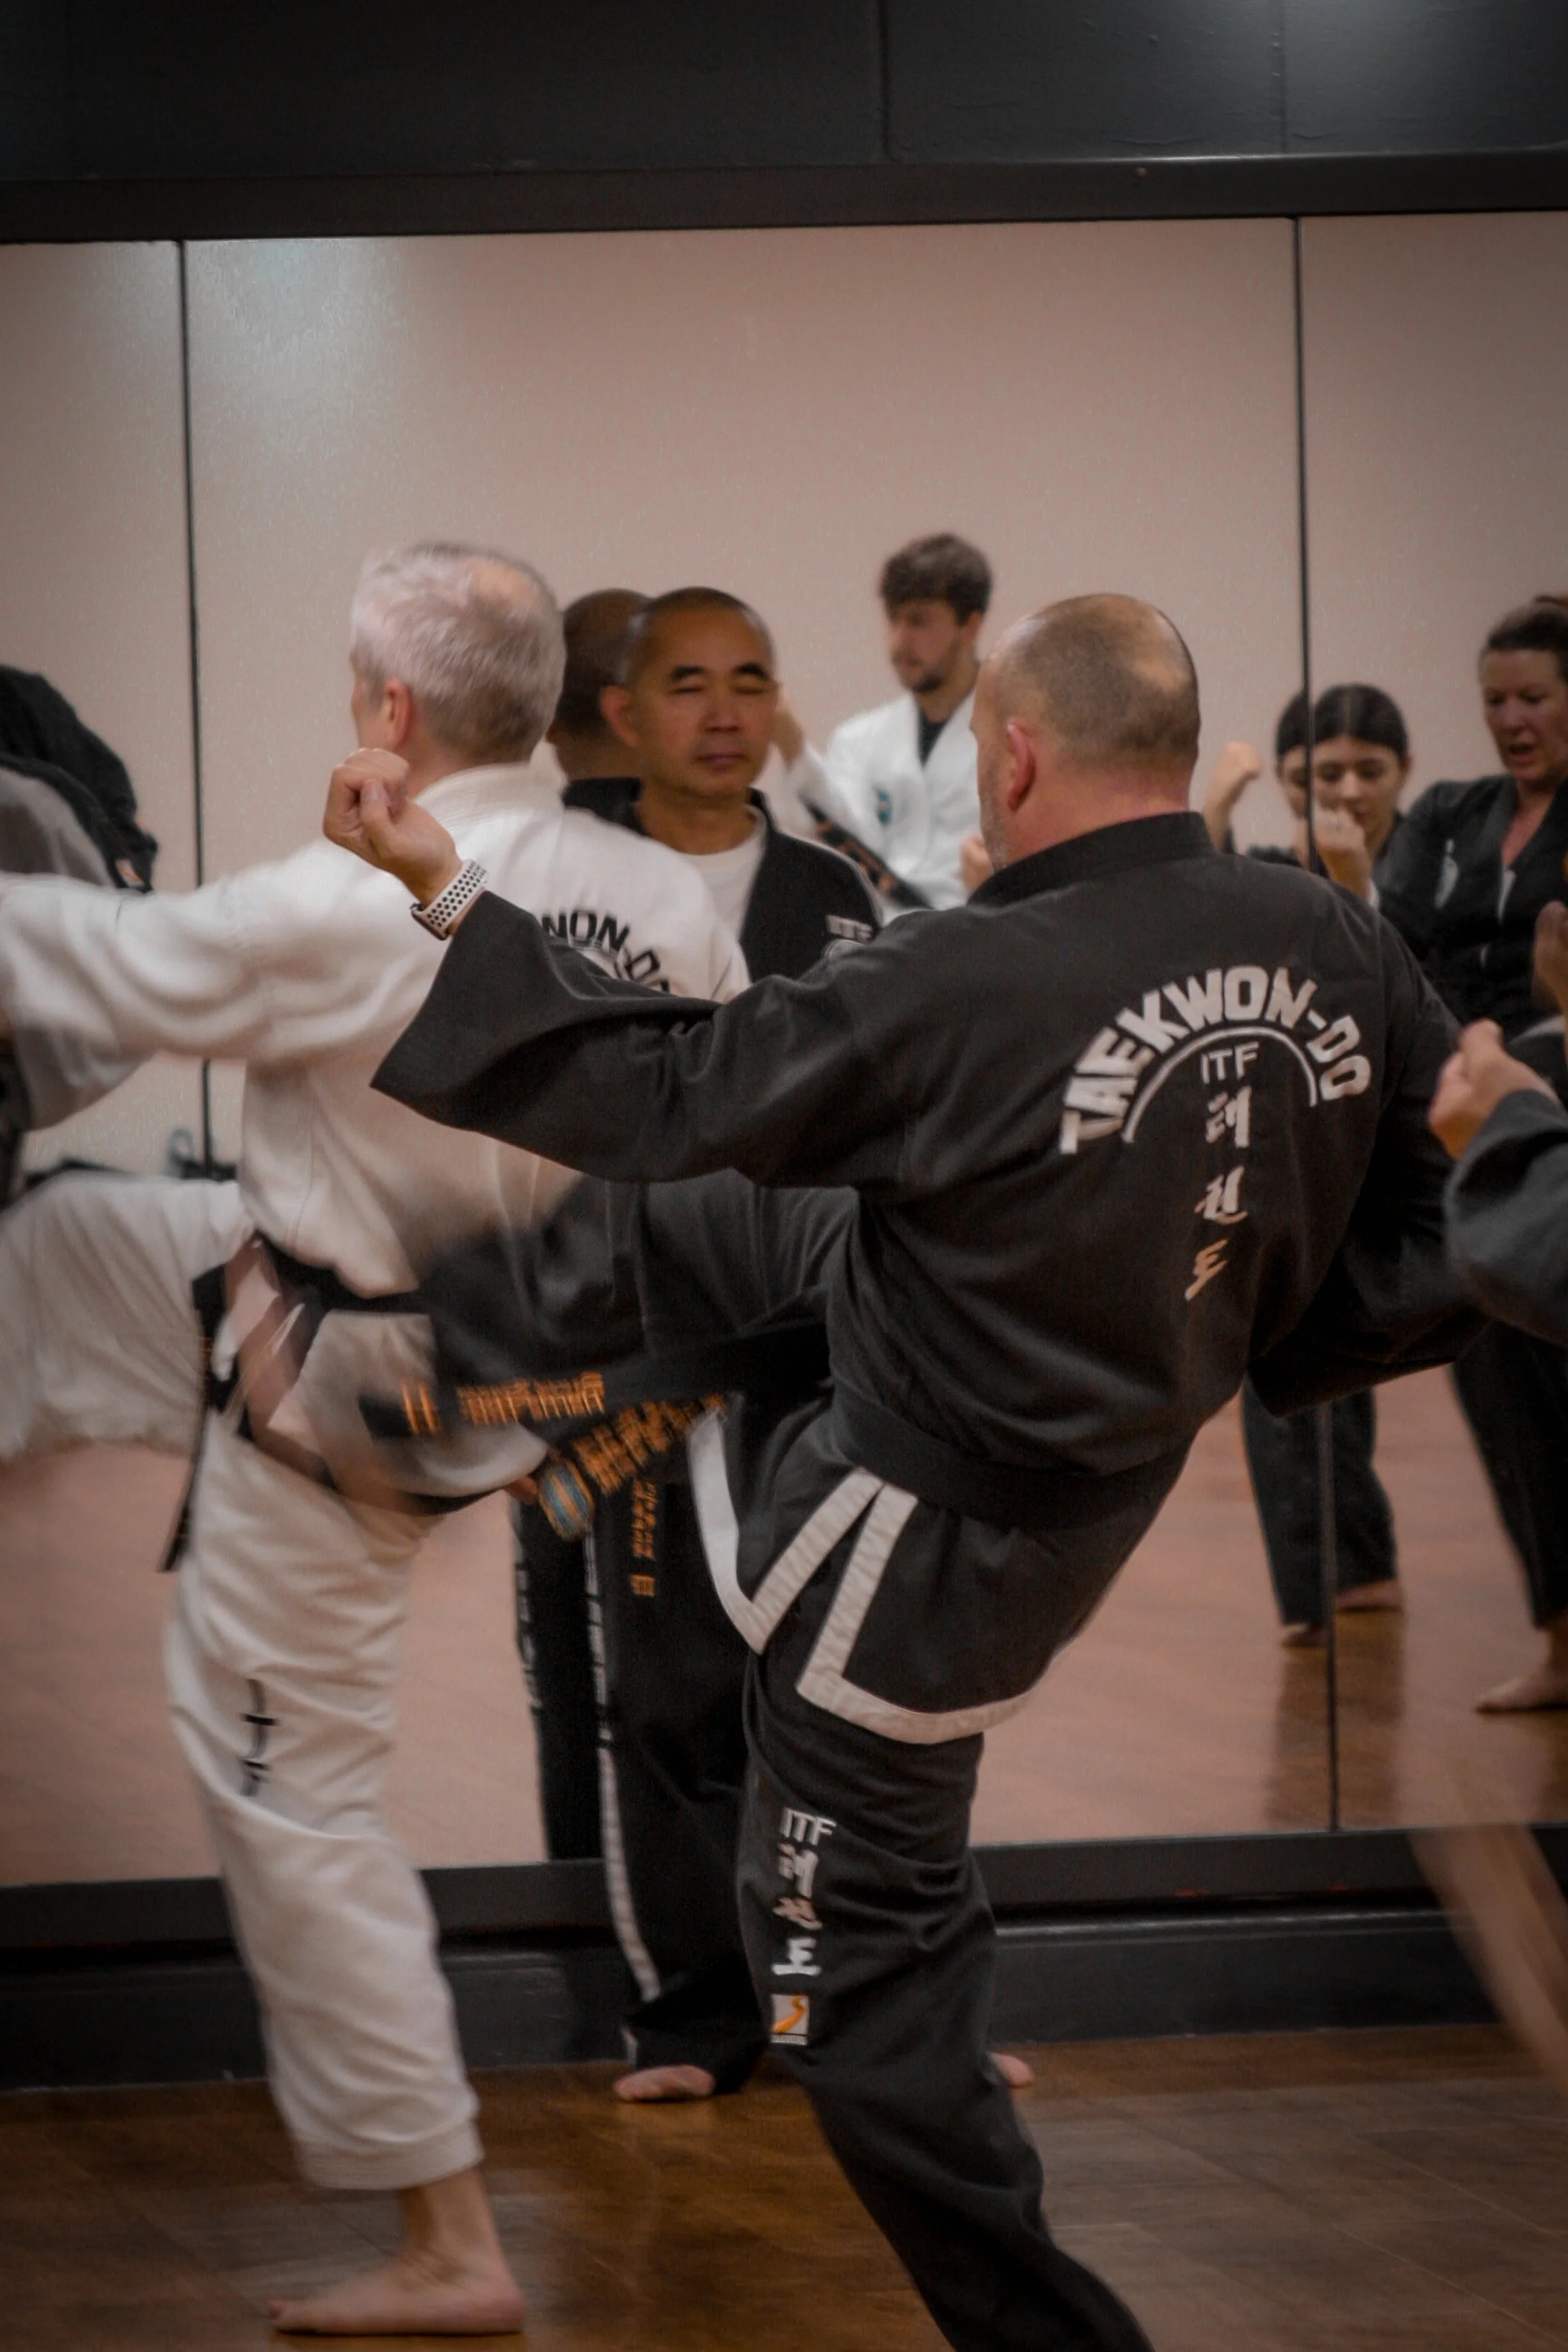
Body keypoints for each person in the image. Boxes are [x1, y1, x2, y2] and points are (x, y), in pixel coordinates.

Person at [332, 591, 1477, 2352]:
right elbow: (1423, 1229)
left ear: (1011, 754)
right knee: (742, 1219)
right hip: (1043, 1423)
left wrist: (441, 882)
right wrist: (1240, 1333)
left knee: (840, 1986)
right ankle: (477, 1385)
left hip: (912, 1541)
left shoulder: (962, 974)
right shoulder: (1333, 940)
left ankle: (1051, 2337)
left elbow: (666, 1084)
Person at [0, 541, 745, 2337]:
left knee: (285, 1784)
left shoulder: (343, 910)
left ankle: (447, 2236)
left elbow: (95, 961)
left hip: (349, 1409)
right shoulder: (663, 895)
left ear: (390, 708)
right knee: (59, 1253)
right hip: (533, 1359)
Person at [525, 583, 883, 2104]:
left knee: (844, 1682)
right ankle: (695, 2008)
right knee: (659, 1681)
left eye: (750, 680)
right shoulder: (557, 889)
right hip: (629, 1338)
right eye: (687, 684)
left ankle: (854, 2009)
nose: (724, 711)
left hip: (819, 1340)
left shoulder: (841, 895)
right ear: (624, 713)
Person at [1380, 600, 1568, 1710]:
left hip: (1550, 1110)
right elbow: (1396, 947)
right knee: (1510, 1396)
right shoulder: (1450, 812)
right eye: (1494, 698)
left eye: (1534, 696)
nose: (1510, 717)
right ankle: (1561, 1634)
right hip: (1461, 1127)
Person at [1208, 685, 1415, 1639]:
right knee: (1286, 1370)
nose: (1348, 788)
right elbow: (1192, 911)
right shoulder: (1258, 868)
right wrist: (1218, 802)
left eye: (1368, 771)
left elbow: (1411, 1007)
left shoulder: (1420, 864)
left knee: (1345, 1360)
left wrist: (1359, 885)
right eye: (1325, 771)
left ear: (1403, 776)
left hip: (1397, 1153)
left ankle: (1356, 1565)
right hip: (1286, 1157)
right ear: (1292, 778)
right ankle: (1325, 1584)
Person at [778, 531, 990, 908]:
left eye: (919, 621)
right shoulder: (859, 740)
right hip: (883, 942)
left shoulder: (1013, 735)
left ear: (969, 627)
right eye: (893, 619)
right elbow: (849, 846)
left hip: (982, 934)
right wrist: (792, 744)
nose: (900, 640)